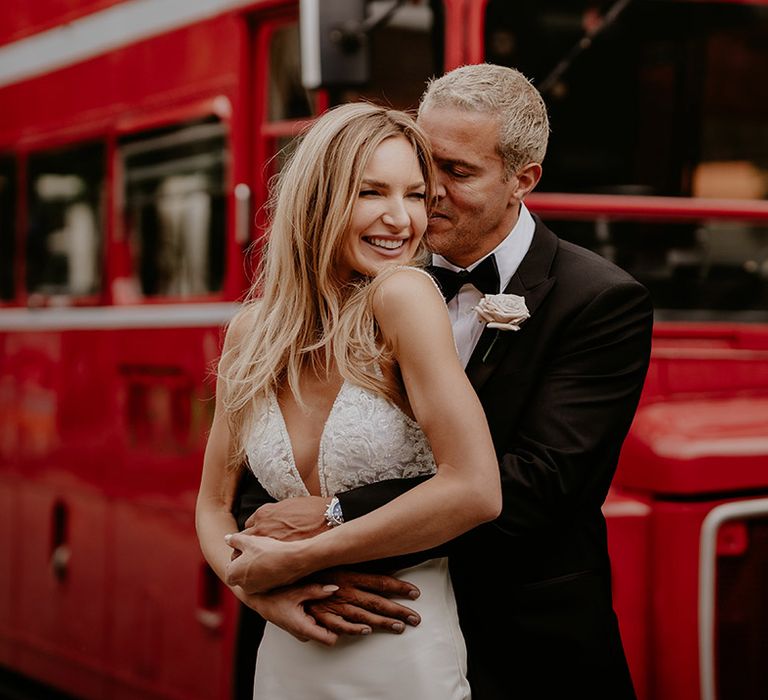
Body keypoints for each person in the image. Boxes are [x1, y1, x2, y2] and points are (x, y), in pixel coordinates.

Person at [229, 64, 654, 699]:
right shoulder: (360, 273)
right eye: (424, 168)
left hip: (522, 648)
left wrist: (332, 529)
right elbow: (260, 474)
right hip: (337, 628)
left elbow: (539, 487)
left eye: (456, 173)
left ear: (523, 180)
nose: (427, 196)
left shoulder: (600, 301)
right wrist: (277, 579)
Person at [195, 102, 502, 698]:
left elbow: (476, 489)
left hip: (401, 649)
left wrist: (300, 558)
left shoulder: (406, 297)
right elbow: (213, 504)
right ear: (318, 200)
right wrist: (256, 590)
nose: (401, 219)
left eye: (416, 196)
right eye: (371, 192)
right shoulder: (251, 331)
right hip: (288, 646)